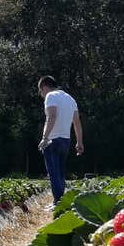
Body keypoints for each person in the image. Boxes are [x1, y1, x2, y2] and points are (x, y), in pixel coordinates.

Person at [37, 76, 84, 208]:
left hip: (52, 140)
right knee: (61, 172)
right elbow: (77, 122)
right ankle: (61, 201)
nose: (42, 95)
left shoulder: (50, 96)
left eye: (41, 91)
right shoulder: (70, 99)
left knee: (53, 172)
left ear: (44, 87)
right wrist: (79, 142)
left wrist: (45, 137)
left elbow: (52, 116)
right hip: (65, 140)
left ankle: (58, 203)